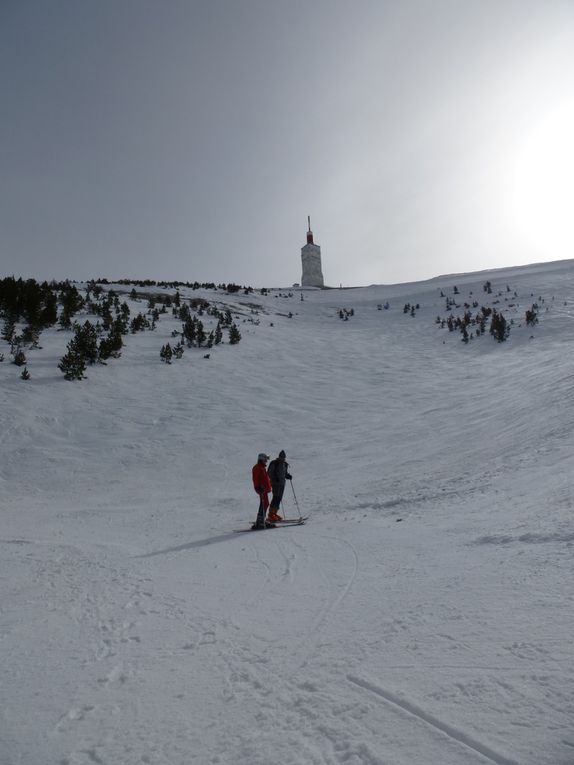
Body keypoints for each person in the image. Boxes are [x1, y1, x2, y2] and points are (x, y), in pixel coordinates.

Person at [267, 450, 292, 522]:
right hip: (275, 483)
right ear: (279, 456)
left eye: (284, 457)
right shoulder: (274, 463)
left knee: (279, 498)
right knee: (275, 497)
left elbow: (285, 473)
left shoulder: (285, 464)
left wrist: (288, 476)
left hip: (282, 484)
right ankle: (270, 515)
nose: (283, 458)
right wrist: (275, 478)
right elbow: (269, 473)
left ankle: (274, 513)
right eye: (281, 457)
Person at [252, 453, 272, 529]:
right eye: (265, 459)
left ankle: (261, 519)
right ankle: (260, 521)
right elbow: (255, 479)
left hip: (264, 489)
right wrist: (257, 487)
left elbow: (265, 478)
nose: (266, 461)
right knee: (264, 503)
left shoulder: (262, 468)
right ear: (261, 459)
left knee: (265, 503)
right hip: (261, 489)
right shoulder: (257, 467)